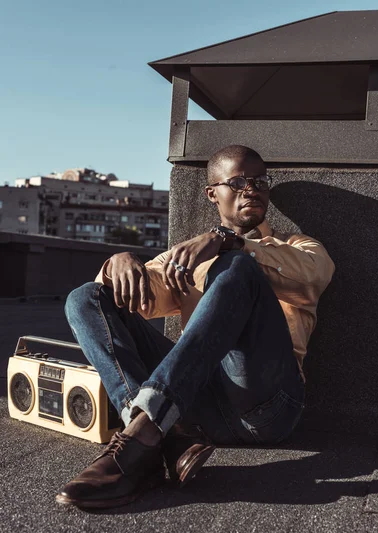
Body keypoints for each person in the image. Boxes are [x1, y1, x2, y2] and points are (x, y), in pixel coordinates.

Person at [56, 145, 335, 509]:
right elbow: (125, 297)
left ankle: (139, 441)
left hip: (268, 408)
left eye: (259, 181)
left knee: (237, 268)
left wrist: (229, 242)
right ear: (212, 194)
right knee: (84, 297)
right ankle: (157, 433)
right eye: (237, 182)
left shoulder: (295, 247)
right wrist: (118, 263)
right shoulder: (187, 258)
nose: (252, 189)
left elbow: (316, 275)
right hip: (196, 411)